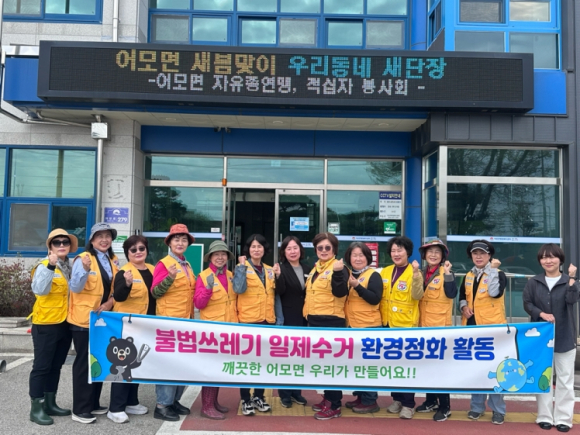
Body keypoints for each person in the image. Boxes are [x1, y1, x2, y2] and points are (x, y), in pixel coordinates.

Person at [523, 244, 579, 432]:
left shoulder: (569, 281)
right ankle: (545, 416)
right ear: (540, 261)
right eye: (544, 257)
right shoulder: (534, 282)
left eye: (552, 257)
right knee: (544, 378)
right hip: (541, 339)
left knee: (565, 380)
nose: (548, 261)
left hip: (565, 336)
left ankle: (564, 418)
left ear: (560, 259)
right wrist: (541, 314)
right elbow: (527, 304)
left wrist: (572, 278)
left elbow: (572, 300)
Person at [69, 222, 119, 424]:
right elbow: (75, 287)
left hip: (103, 319)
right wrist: (83, 269)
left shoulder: (112, 260)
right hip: (84, 319)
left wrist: (109, 303)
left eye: (108, 236)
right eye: (100, 236)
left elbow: (115, 289)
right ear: (91, 240)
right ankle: (80, 409)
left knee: (98, 360)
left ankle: (93, 403)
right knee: (84, 362)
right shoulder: (83, 258)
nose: (104, 240)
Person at [28, 229, 77, 425]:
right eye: (57, 242)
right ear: (50, 247)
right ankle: (36, 408)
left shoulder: (69, 267)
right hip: (46, 324)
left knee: (56, 366)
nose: (62, 245)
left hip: (65, 323)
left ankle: (50, 403)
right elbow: (39, 290)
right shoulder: (43, 265)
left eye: (65, 242)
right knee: (41, 367)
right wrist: (50, 265)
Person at [459, 239, 507, 425]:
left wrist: (493, 270)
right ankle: (477, 407)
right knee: (477, 370)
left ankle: (498, 410)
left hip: (493, 330)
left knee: (496, 370)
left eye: (482, 253)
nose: (478, 256)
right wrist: (463, 307)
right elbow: (462, 296)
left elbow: (494, 293)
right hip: (473, 328)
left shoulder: (498, 274)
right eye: (475, 253)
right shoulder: (469, 275)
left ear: (490, 256)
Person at [151, 224, 195, 421]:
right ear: (169, 242)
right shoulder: (164, 264)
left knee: (181, 364)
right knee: (168, 364)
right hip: (168, 322)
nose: (180, 243)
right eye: (176, 239)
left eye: (184, 240)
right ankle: (162, 405)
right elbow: (155, 292)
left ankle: (174, 401)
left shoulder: (187, 264)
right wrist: (169, 278)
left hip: (185, 322)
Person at [107, 235, 154, 423]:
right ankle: (115, 408)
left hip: (147, 325)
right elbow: (118, 296)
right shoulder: (124, 272)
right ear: (127, 253)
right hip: (128, 327)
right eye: (133, 250)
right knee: (123, 366)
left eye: (141, 248)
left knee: (137, 365)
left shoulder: (152, 269)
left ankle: (131, 401)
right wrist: (126, 283)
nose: (138, 252)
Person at [304, 232, 349, 420]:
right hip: (315, 321)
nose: (323, 250)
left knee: (331, 365)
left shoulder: (339, 267)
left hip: (331, 322)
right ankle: (327, 398)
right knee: (322, 365)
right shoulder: (316, 269)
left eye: (327, 247)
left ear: (334, 250)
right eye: (320, 247)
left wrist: (338, 272)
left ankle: (335, 404)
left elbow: (340, 292)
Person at [380, 236, 423, 419]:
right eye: (393, 251)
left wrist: (416, 274)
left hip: (406, 326)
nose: (396, 254)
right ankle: (397, 399)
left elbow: (417, 295)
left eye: (400, 250)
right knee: (392, 366)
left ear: (408, 252)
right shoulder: (385, 271)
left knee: (406, 367)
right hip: (387, 324)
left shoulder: (414, 272)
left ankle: (408, 404)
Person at [194, 240, 238, 420]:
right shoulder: (203, 276)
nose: (220, 257)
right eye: (216, 254)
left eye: (223, 254)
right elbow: (198, 303)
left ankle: (213, 402)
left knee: (219, 367)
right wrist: (207, 289)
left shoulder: (231, 275)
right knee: (210, 368)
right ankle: (206, 406)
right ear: (210, 257)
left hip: (229, 328)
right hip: (212, 331)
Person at [415, 239, 457, 422]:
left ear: (443, 256)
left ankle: (445, 407)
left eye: (437, 252)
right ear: (424, 255)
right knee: (427, 367)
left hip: (440, 328)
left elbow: (452, 293)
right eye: (430, 251)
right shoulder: (420, 273)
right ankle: (431, 400)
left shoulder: (446, 272)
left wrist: (447, 273)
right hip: (422, 327)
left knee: (440, 369)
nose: (433, 255)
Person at [233, 234, 275, 416]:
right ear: (248, 250)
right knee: (247, 363)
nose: (256, 249)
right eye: (253, 246)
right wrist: (242, 267)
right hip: (248, 322)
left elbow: (274, 297)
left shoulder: (270, 270)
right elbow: (238, 289)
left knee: (263, 362)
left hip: (267, 321)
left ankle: (259, 396)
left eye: (259, 246)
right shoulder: (240, 267)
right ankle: (245, 399)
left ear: (264, 249)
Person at [343, 242, 383, 414]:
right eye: (354, 255)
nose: (358, 258)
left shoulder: (373, 275)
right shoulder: (349, 274)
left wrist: (357, 287)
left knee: (368, 366)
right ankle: (360, 396)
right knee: (357, 365)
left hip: (369, 327)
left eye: (361, 255)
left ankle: (370, 401)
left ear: (367, 257)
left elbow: (375, 299)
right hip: (353, 326)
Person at [273, 236, 308, 408]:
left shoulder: (309, 268)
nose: (293, 251)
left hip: (305, 318)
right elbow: (279, 291)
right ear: (284, 252)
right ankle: (285, 394)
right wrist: (278, 276)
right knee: (287, 357)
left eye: (295, 248)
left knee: (300, 357)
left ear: (300, 249)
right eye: (289, 249)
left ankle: (296, 392)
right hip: (288, 318)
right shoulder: (281, 269)